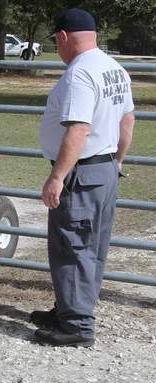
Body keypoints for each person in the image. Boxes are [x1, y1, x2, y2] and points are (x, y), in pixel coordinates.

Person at [32, 8, 135, 347]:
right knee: (92, 246)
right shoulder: (113, 68)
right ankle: (70, 308)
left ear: (63, 37)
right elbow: (127, 121)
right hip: (104, 170)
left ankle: (77, 325)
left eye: (56, 42)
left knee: (72, 246)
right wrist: (117, 161)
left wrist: (57, 176)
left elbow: (78, 128)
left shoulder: (80, 73)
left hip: (81, 172)